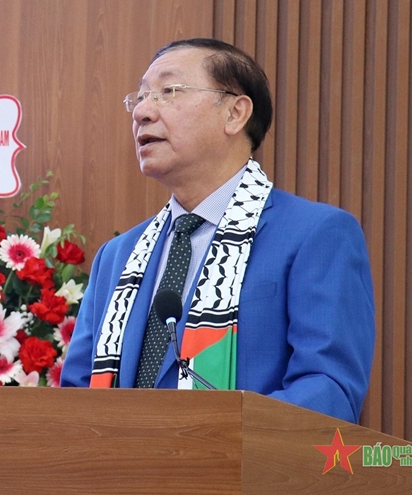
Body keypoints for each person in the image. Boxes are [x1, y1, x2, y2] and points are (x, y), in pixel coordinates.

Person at [60, 38, 375, 424]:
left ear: (235, 113)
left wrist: (204, 439)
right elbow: (76, 395)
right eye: (140, 98)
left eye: (168, 91)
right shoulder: (118, 256)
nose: (142, 111)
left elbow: (328, 389)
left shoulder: (316, 236)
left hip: (241, 461)